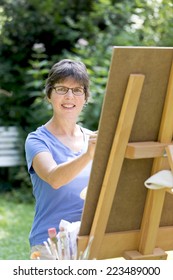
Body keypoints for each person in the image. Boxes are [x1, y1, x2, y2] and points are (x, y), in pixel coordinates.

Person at [25, 59, 97, 259]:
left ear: (85, 97)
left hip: (90, 240)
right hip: (51, 243)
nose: (69, 96)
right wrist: (88, 155)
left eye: (77, 90)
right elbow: (54, 178)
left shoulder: (92, 139)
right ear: (49, 95)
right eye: (62, 89)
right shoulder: (36, 140)